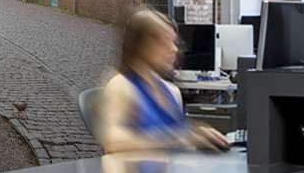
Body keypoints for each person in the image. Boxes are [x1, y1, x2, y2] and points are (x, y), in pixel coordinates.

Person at [95, 9, 230, 155]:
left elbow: (177, 138)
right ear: (139, 45)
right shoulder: (121, 87)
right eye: (163, 41)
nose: (174, 49)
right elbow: (112, 142)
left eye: (174, 42)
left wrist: (197, 135)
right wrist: (176, 138)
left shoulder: (172, 91)